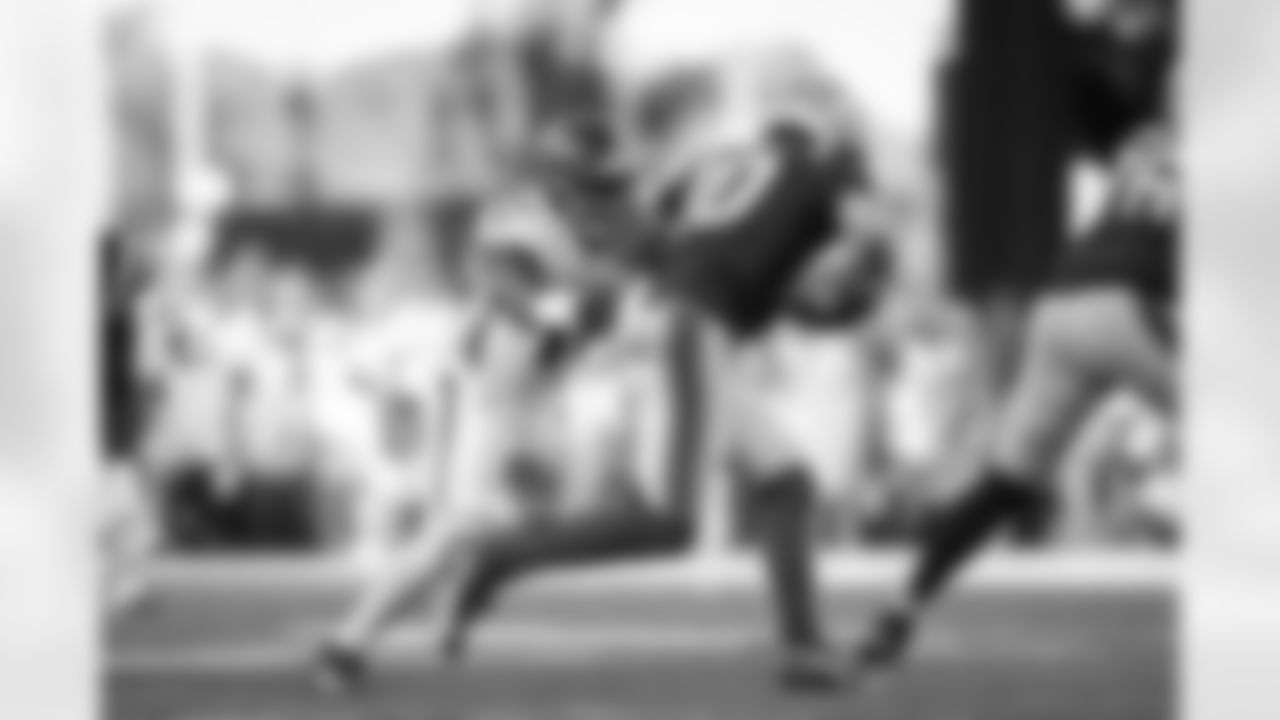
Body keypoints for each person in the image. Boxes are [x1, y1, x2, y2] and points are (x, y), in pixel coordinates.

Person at [432, 38, 894, 692]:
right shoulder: (831, 157)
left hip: (677, 317)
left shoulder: (718, 158)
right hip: (693, 327)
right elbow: (867, 242)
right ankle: (500, 557)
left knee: (786, 482)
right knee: (668, 522)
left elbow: (664, 245)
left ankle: (802, 650)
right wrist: (854, 288)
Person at [850, 0, 1179, 677]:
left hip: (1059, 307)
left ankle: (901, 606)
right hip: (1126, 303)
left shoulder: (1149, 137)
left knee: (1003, 483)